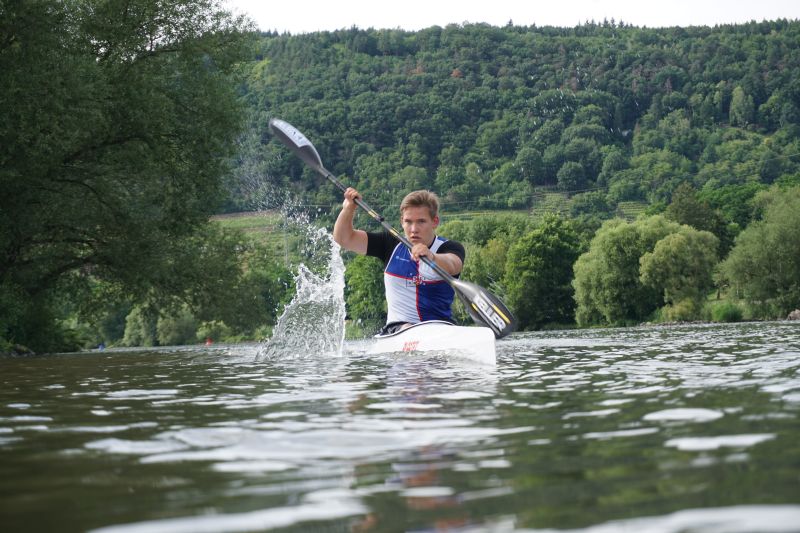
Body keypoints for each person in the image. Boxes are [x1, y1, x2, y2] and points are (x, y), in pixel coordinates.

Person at [333, 188, 465, 335]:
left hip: (441, 329)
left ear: (435, 221)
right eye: (408, 222)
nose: (414, 229)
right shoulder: (389, 244)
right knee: (408, 329)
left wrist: (432, 257)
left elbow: (453, 265)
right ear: (402, 221)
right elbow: (344, 238)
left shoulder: (449, 247)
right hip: (399, 329)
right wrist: (348, 209)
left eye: (421, 221)